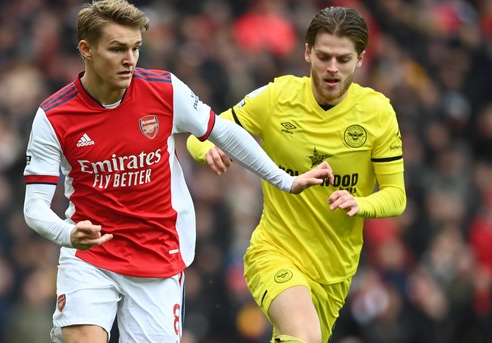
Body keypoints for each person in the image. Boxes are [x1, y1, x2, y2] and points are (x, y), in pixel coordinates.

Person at [22, 1, 334, 342]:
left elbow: (225, 133)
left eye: (135, 48)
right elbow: (34, 206)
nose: (130, 59)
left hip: (158, 254)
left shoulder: (165, 90)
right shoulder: (54, 116)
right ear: (86, 49)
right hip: (91, 255)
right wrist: (68, 234)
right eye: (117, 49)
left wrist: (285, 181)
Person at [187, 6, 406, 343]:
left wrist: (361, 203)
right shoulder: (277, 97)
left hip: (334, 274)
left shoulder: (378, 113)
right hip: (274, 252)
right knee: (302, 337)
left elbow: (396, 195)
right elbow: (199, 132)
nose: (332, 68)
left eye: (343, 59)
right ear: (307, 52)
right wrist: (209, 149)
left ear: (361, 59)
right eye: (324, 56)